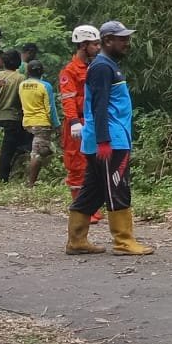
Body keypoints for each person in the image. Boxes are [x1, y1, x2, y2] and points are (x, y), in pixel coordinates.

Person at [69, 20, 153, 256]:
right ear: (107, 41)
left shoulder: (106, 65)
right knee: (118, 187)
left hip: (108, 138)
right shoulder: (103, 67)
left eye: (127, 38)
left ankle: (76, 240)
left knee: (93, 191)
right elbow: (99, 105)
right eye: (122, 39)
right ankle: (123, 241)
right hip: (110, 141)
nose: (127, 43)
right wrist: (104, 141)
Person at [61, 25, 103, 222]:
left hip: (94, 119)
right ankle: (81, 210)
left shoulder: (96, 66)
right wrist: (74, 122)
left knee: (94, 164)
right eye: (95, 44)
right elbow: (68, 98)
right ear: (83, 45)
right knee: (77, 165)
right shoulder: (70, 70)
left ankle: (92, 206)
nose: (98, 47)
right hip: (77, 122)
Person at [20, 60, 59, 188]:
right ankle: (30, 183)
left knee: (40, 149)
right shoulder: (45, 86)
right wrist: (57, 125)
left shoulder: (22, 85)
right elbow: (50, 108)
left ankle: (30, 172)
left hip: (27, 122)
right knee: (38, 153)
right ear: (41, 71)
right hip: (42, 123)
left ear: (28, 71)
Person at [0, 49, 28, 183]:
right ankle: (3, 178)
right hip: (13, 117)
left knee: (5, 149)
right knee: (9, 150)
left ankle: (3, 177)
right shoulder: (21, 78)